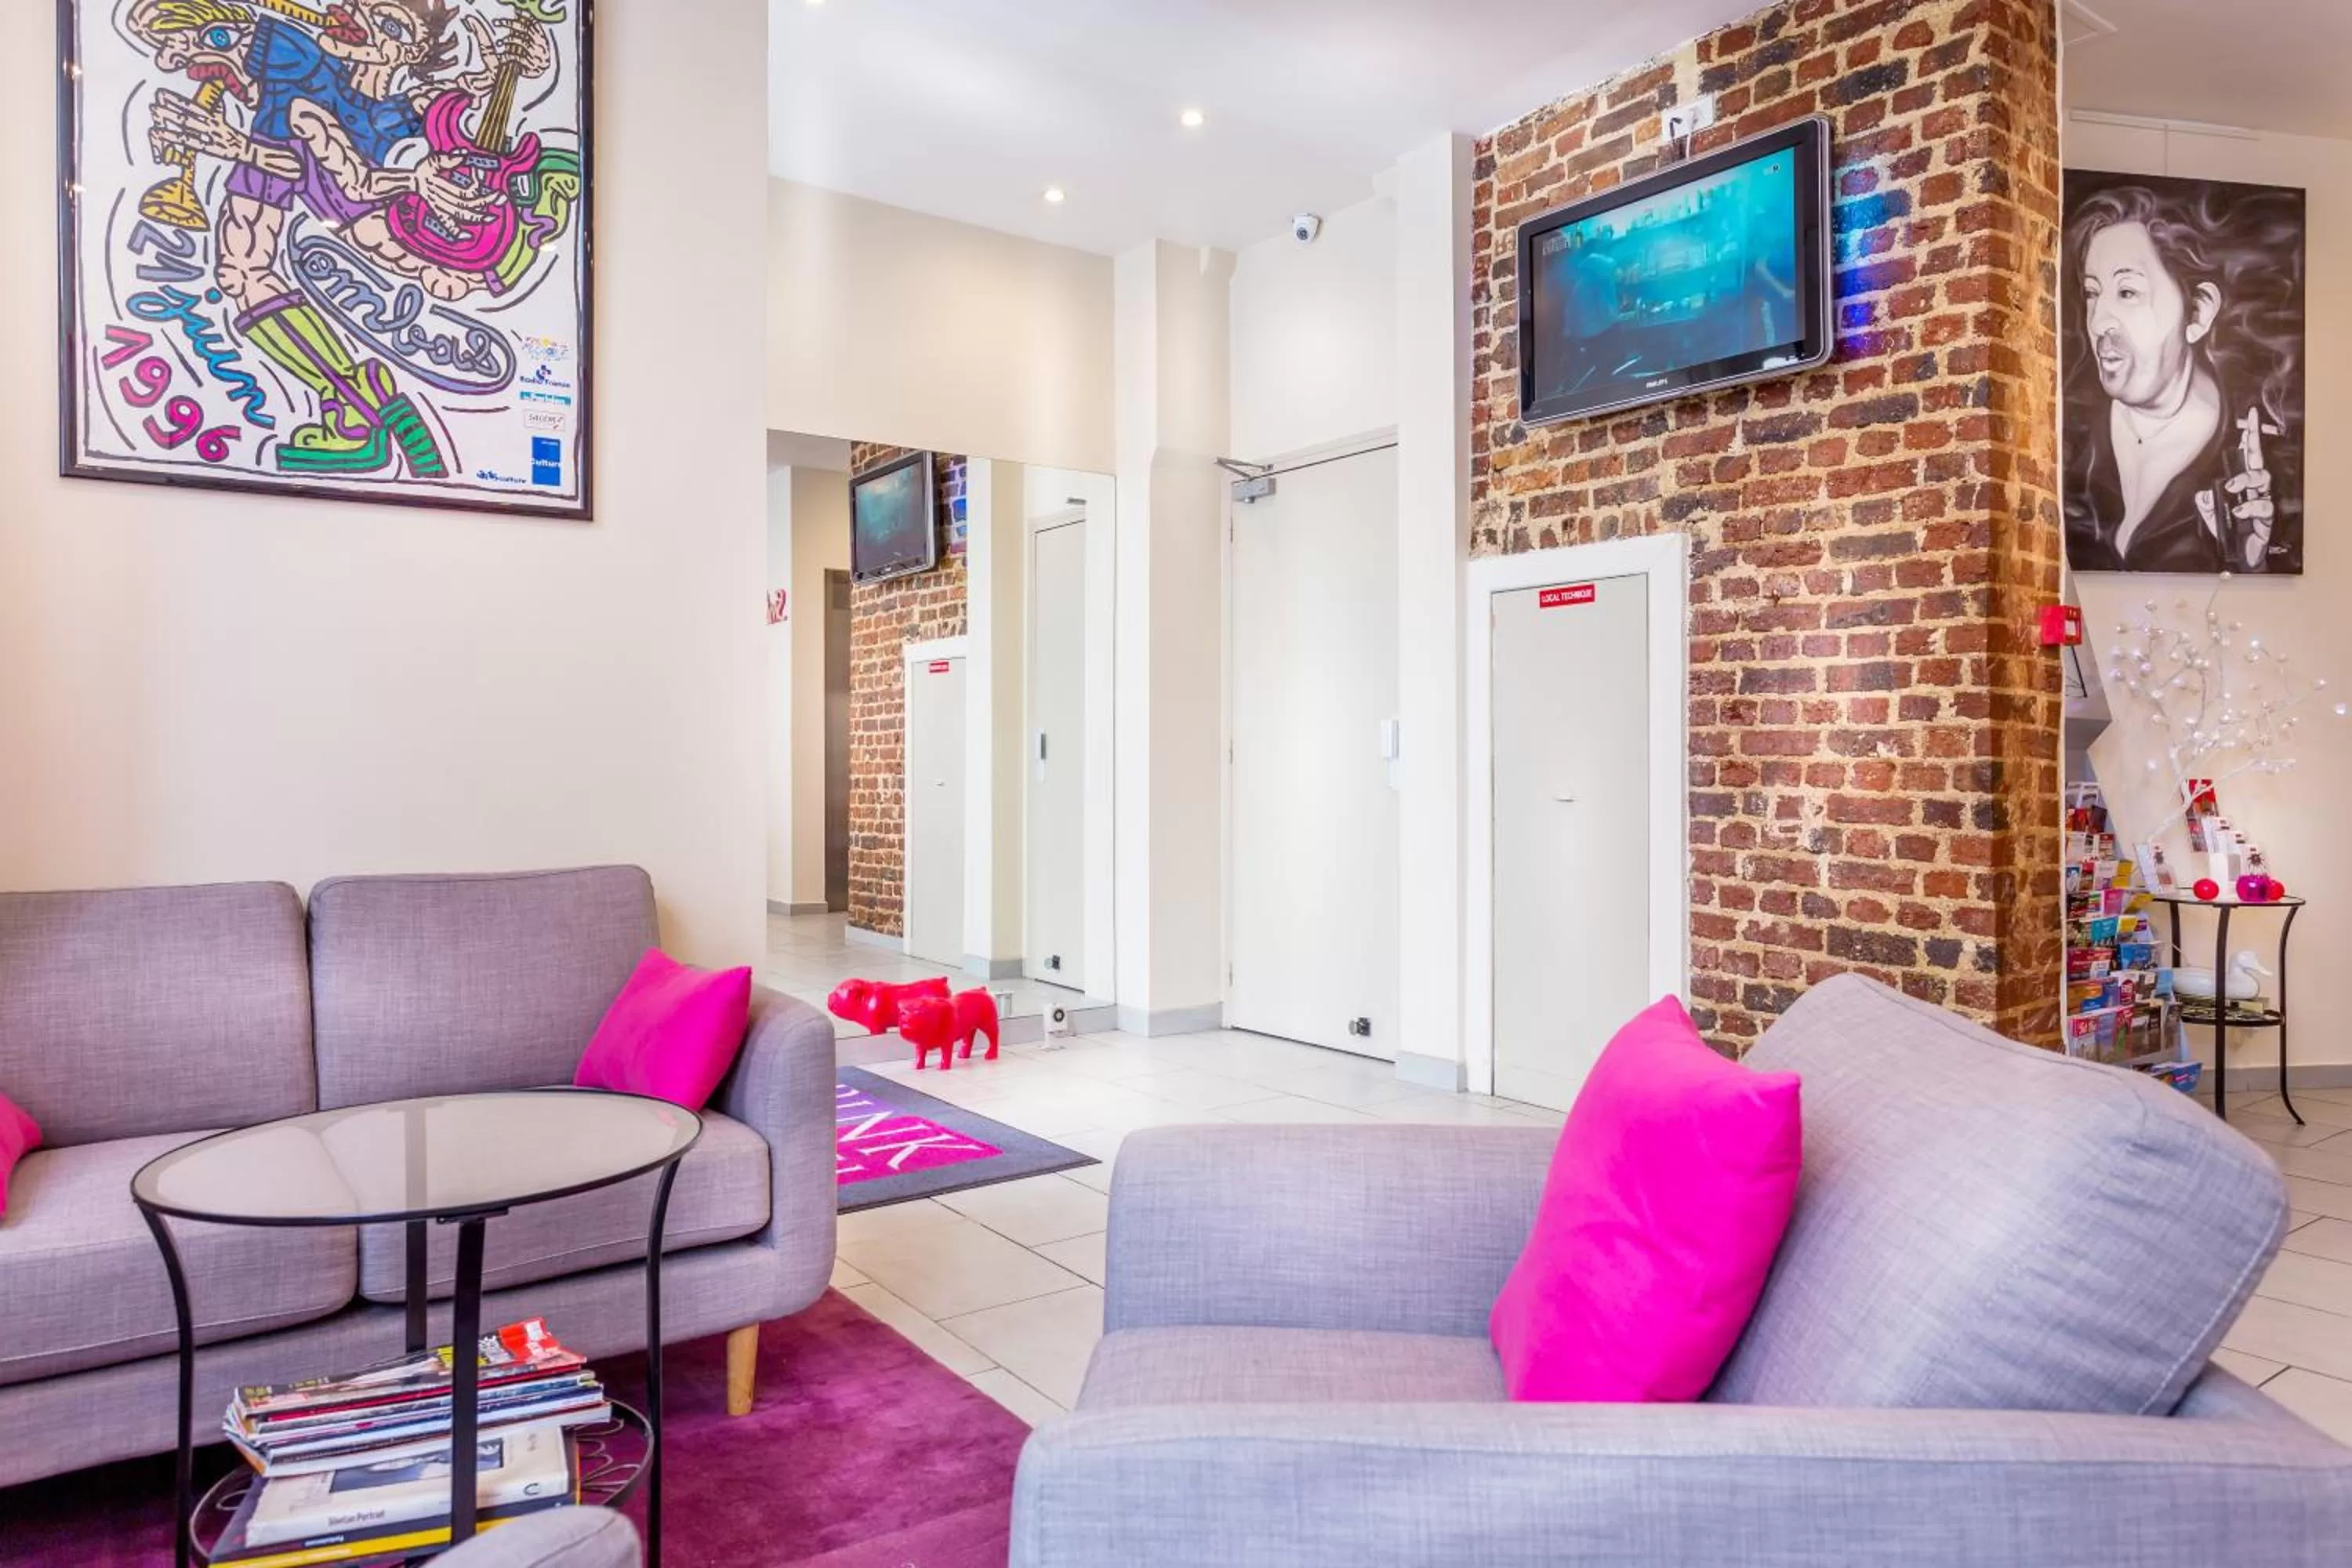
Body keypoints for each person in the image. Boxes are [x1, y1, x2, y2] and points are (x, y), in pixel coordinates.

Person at [2063, 185, 2292, 573]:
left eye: (2128, 292)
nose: (2100, 322)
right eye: (2092, 293)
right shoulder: (2066, 431)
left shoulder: (2263, 456)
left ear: (2199, 313)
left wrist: (2253, 563)